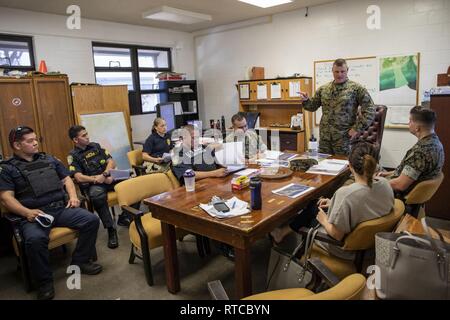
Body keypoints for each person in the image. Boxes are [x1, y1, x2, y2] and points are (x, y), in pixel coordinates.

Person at [0, 126, 102, 300]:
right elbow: (6, 198)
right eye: (30, 141)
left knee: (91, 220)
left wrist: (73, 197)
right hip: (35, 215)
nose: (35, 143)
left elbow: (67, 179)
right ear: (17, 145)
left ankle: (80, 262)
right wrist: (26, 212)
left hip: (60, 209)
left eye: (35, 139)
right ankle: (44, 282)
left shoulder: (49, 159)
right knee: (34, 240)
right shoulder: (7, 169)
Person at [270, 142, 394, 260]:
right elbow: (366, 202)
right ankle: (283, 232)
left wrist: (323, 219)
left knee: (314, 211)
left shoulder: (346, 194)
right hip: (373, 245)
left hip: (346, 249)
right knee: (316, 204)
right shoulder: (385, 184)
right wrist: (333, 202)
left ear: (350, 166)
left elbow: (336, 235)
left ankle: (294, 248)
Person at [67, 125, 130, 249]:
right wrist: (98, 179)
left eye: (87, 134)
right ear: (75, 140)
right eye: (84, 135)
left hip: (108, 177)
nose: (87, 137)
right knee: (97, 196)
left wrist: (105, 174)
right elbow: (78, 177)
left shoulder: (96, 146)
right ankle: (111, 229)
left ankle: (125, 217)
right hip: (93, 184)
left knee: (132, 182)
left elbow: (111, 161)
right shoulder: (73, 155)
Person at [300, 59, 376, 155]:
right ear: (332, 71)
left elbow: (370, 110)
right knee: (323, 165)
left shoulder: (356, 89)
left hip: (344, 138)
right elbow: (312, 107)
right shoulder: (323, 89)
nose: (339, 74)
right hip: (325, 138)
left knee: (343, 166)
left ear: (347, 70)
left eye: (342, 71)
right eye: (336, 71)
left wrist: (357, 129)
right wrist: (306, 100)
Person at [378, 106, 444, 197]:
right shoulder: (436, 143)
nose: (408, 123)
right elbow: (410, 171)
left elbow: (400, 185)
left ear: (417, 128)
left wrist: (374, 183)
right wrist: (386, 174)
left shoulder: (420, 153)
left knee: (359, 187)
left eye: (410, 121)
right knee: (376, 170)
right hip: (406, 184)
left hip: (398, 194)